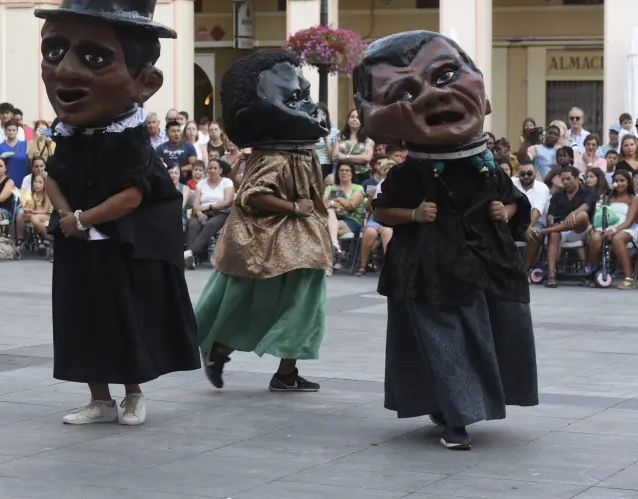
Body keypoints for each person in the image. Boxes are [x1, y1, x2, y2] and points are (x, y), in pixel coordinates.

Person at [35, 0, 200, 426]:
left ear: (144, 83)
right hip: (80, 242)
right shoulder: (69, 134)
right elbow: (53, 177)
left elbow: (132, 196)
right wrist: (65, 217)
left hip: (125, 246)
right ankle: (98, 396)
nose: (65, 70)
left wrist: (81, 221)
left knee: (123, 315)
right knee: (82, 317)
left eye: (94, 58)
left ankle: (133, 394)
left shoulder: (130, 140)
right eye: (54, 49)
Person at [354, 30, 537, 451]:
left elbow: (516, 204)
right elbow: (381, 210)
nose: (433, 96)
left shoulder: (488, 167)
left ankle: (452, 405)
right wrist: (413, 215)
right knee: (445, 341)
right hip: (429, 268)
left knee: (486, 333)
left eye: (447, 74)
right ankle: (456, 418)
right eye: (403, 91)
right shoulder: (409, 173)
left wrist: (504, 212)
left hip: (484, 264)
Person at [194, 49, 331, 392]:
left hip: (302, 240)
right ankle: (220, 349)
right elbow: (251, 196)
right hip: (268, 239)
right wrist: (294, 208)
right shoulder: (276, 153)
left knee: (305, 303)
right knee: (266, 301)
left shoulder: (300, 150)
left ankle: (285, 372)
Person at [533, 166, 596, 288]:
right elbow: (551, 214)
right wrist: (551, 221)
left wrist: (573, 214)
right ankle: (551, 276)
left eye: (568, 179)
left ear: (577, 179)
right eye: (563, 180)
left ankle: (546, 231)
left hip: (581, 231)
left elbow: (586, 207)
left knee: (582, 215)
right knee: (555, 234)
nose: (565, 182)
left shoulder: (587, 192)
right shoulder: (557, 195)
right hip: (561, 231)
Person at [586, 168, 638, 288]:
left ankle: (629, 279)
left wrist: (614, 230)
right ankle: (594, 273)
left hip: (625, 229)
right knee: (595, 237)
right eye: (616, 180)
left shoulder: (633, 199)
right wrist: (595, 227)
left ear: (628, 182)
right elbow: (599, 216)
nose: (619, 183)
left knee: (617, 238)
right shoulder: (608, 198)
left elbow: (629, 221)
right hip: (606, 227)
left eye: (622, 180)